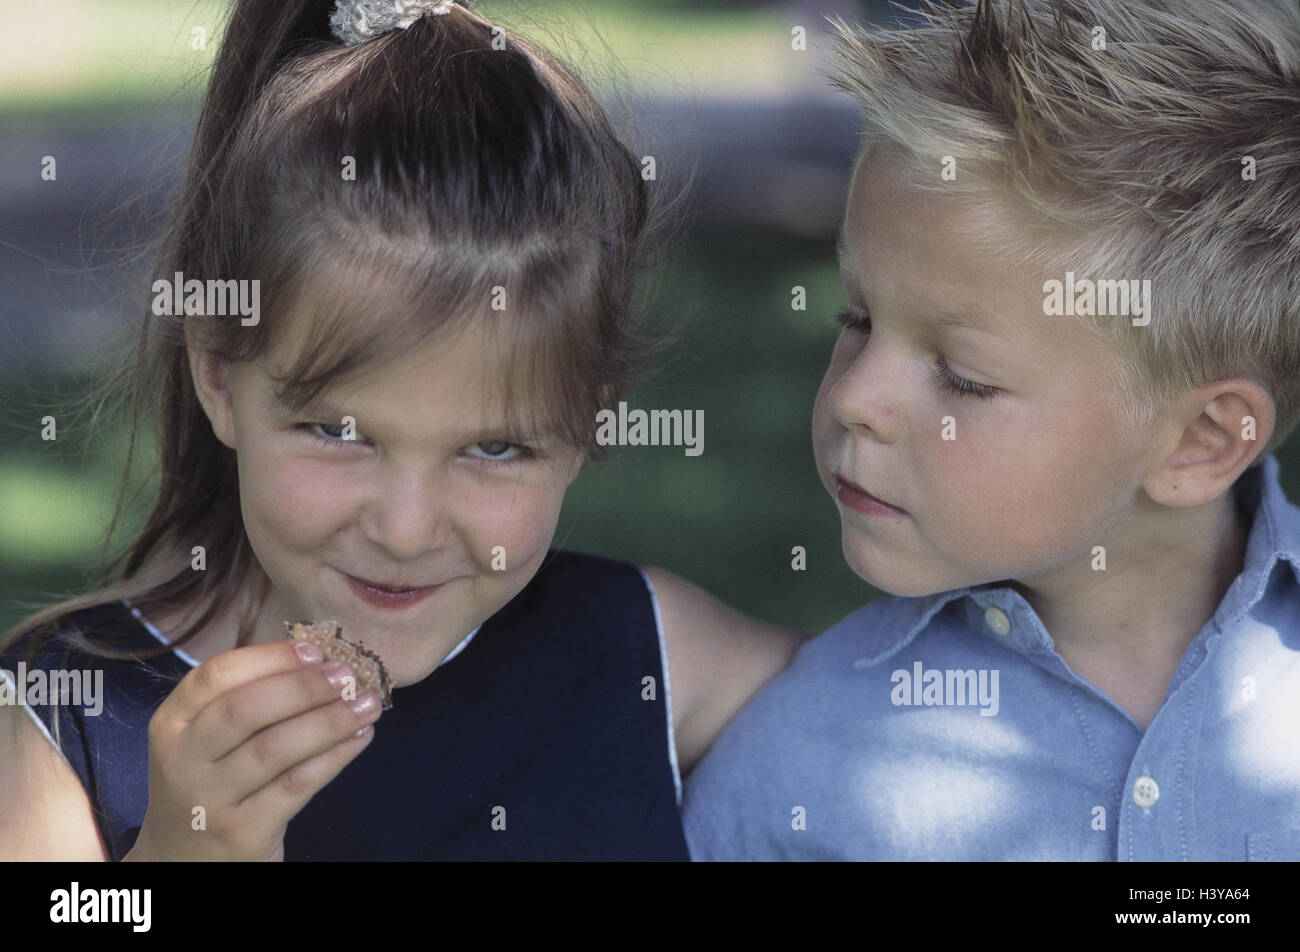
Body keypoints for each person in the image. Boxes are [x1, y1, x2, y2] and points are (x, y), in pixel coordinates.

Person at [0, 0, 801, 861]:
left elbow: (920, 756)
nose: (406, 527)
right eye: (340, 432)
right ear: (219, 376)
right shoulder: (70, 711)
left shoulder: (646, 653)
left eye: (494, 448)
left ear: (585, 425)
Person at [683, 0, 1300, 860]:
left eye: (963, 378)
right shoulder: (800, 764)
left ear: (1200, 441)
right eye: (854, 318)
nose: (857, 397)